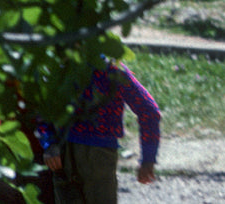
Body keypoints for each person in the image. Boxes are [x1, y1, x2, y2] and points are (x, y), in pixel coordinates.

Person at [39, 57, 160, 204]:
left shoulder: (60, 64)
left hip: (64, 155)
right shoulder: (112, 69)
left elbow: (42, 109)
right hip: (96, 156)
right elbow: (149, 110)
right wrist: (148, 159)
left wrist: (49, 143)